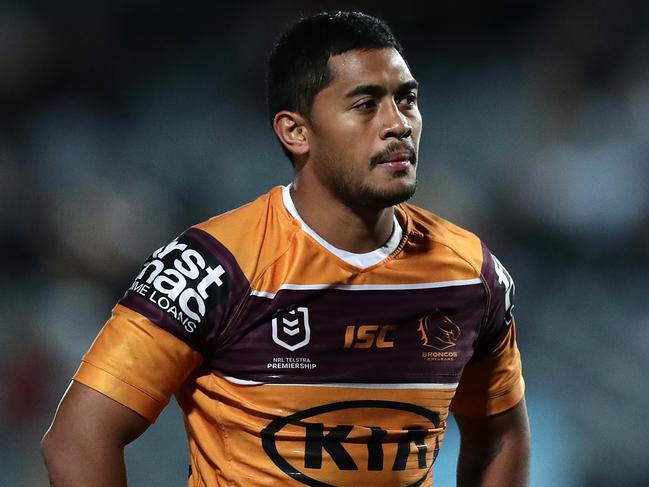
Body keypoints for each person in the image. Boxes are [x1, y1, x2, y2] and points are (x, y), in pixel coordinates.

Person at [41, 10, 530, 487]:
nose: (397, 123)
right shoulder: (212, 267)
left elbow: (501, 437)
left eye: (407, 99)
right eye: (365, 104)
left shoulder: (471, 274)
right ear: (295, 131)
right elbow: (79, 438)